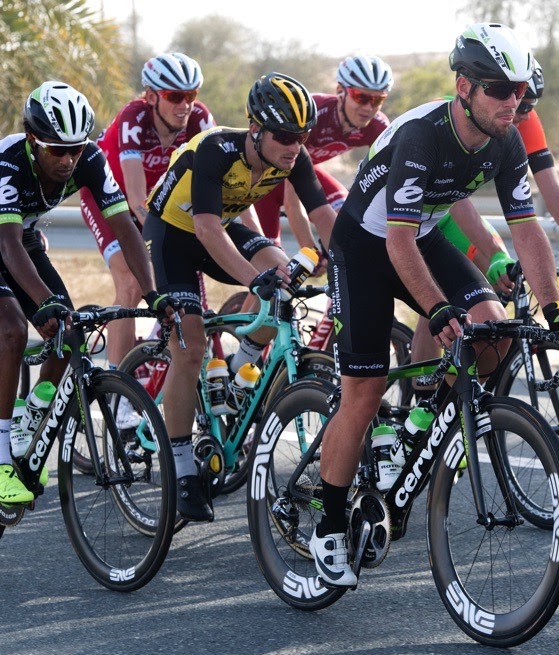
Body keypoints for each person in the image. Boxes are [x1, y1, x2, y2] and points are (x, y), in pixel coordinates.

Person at [308, 23, 559, 587]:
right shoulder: (422, 136)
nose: (512, 102)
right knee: (363, 392)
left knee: (494, 333)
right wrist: (435, 309)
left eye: (519, 91)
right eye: (499, 90)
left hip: (422, 236)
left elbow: (527, 229)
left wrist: (554, 310)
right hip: (365, 248)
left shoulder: (505, 140)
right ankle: (328, 524)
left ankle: (421, 422)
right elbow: (396, 242)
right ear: (464, 87)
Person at [143, 72, 338, 522]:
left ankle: (238, 367)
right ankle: (182, 470)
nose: (294, 146)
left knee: (284, 281)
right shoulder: (216, 149)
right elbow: (206, 229)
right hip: (173, 234)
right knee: (190, 344)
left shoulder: (292, 157)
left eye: (302, 136)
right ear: (255, 129)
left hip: (219, 228)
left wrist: (349, 264)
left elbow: (324, 215)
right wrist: (254, 281)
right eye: (285, 136)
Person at [0, 81, 175, 503]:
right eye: (57, 150)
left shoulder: (91, 158)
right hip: (6, 239)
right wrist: (42, 301)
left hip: (21, 238)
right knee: (12, 330)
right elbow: (6, 245)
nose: (68, 160)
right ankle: (1, 458)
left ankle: (33, 414)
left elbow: (125, 228)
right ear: (32, 140)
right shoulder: (9, 161)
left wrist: (152, 293)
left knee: (69, 331)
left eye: (75, 149)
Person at [410, 57, 559, 369]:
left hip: (454, 209)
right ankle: (425, 389)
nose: (518, 111)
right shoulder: (457, 117)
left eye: (526, 102)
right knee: (447, 295)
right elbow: (453, 198)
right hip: (421, 214)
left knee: (499, 285)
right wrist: (494, 253)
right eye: (511, 97)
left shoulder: (524, 120)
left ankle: (469, 387)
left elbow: (552, 191)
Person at [79, 53, 213, 427]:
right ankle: (117, 393)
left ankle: (153, 351)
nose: (185, 105)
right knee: (132, 281)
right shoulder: (133, 119)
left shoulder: (200, 120)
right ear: (152, 96)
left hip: (160, 202)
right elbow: (137, 199)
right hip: (112, 199)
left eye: (191, 95)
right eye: (174, 96)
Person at [252, 55, 392, 256]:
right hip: (265, 177)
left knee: (348, 219)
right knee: (270, 259)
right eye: (361, 97)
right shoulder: (313, 115)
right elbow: (293, 199)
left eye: (377, 99)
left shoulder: (377, 126)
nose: (368, 107)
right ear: (340, 91)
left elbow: (386, 181)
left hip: (304, 172)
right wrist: (310, 251)